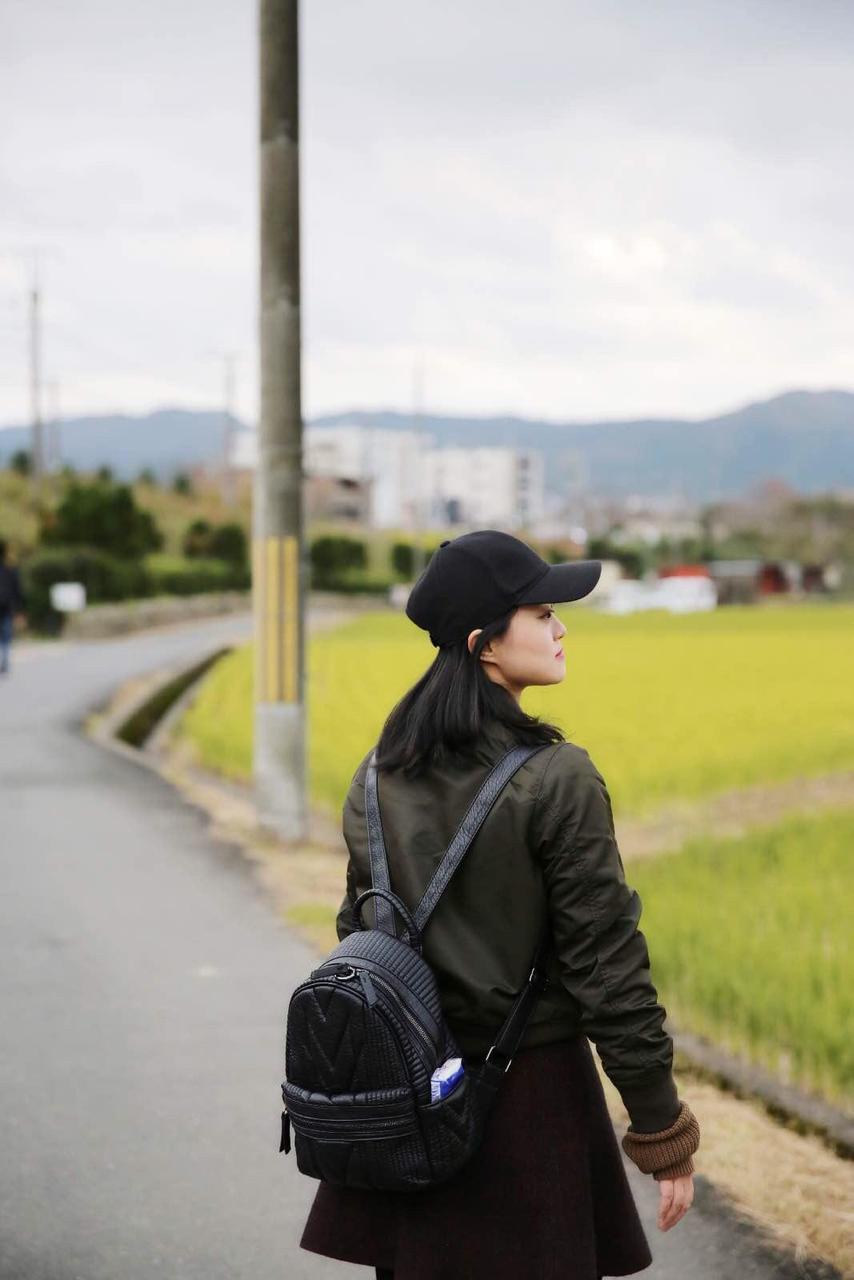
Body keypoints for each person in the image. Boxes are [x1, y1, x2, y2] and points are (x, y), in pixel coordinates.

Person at [299, 529, 700, 1280]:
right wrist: (660, 1129)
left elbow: (362, 936)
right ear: (486, 644)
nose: (561, 627)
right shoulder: (556, 778)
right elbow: (607, 968)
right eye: (542, 614)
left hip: (408, 1098)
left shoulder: (377, 773)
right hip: (529, 1108)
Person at [0, 540, 27, 676]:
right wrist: (20, 610)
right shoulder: (11, 571)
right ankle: (4, 661)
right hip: (7, 608)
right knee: (6, 636)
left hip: (6, 607)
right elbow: (18, 591)